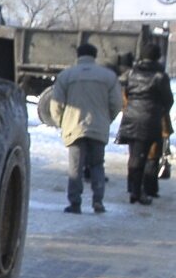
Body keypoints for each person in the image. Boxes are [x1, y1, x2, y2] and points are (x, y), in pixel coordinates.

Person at [37, 42, 127, 214]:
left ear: (78, 56)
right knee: (97, 165)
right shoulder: (108, 76)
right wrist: (107, 119)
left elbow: (55, 104)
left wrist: (61, 122)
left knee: (75, 167)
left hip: (74, 127)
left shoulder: (66, 75)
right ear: (94, 56)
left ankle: (75, 203)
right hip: (99, 127)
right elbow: (116, 103)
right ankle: (98, 201)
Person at [118, 43, 173, 205]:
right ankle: (138, 192)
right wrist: (159, 111)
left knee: (134, 154)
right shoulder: (160, 76)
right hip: (149, 119)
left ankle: (133, 188)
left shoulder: (131, 73)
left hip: (130, 118)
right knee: (146, 157)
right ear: (158, 57)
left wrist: (131, 107)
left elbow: (125, 93)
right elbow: (168, 100)